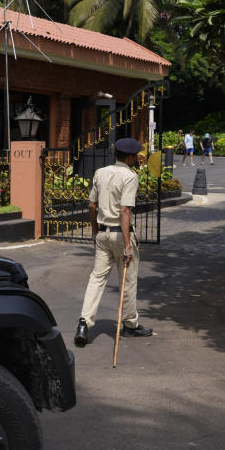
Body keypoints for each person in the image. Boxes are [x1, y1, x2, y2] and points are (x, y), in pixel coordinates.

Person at [74, 138, 153, 346]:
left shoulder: (100, 173)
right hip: (120, 234)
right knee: (127, 280)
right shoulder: (129, 176)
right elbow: (125, 210)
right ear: (129, 157)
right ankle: (130, 325)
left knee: (96, 278)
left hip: (102, 234)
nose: (137, 159)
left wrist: (94, 232)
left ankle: (84, 322)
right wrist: (128, 245)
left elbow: (92, 206)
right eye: (135, 156)